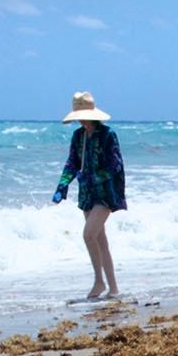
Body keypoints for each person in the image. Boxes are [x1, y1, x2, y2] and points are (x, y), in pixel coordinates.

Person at [52, 90, 126, 301]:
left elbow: (115, 166)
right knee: (100, 240)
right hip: (87, 194)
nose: (81, 121)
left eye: (84, 117)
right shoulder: (78, 136)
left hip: (105, 194)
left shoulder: (108, 135)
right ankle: (113, 289)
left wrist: (93, 177)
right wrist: (62, 185)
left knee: (88, 235)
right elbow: (72, 163)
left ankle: (98, 281)